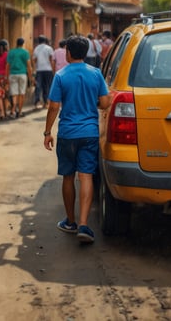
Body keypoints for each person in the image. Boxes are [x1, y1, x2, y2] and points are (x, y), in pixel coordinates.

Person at [43, 35, 111, 244]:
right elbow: (106, 102)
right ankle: (84, 224)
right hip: (89, 133)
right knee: (87, 176)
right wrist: (93, 105)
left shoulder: (61, 75)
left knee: (68, 176)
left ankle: (70, 222)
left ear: (68, 53)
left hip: (67, 134)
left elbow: (54, 106)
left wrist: (47, 132)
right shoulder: (96, 73)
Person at [6, 37, 33, 118]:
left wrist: (6, 76)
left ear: (16, 43)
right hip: (22, 74)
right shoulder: (25, 52)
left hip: (12, 74)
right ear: (23, 44)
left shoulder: (11, 52)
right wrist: (30, 77)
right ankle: (20, 112)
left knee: (14, 94)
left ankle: (13, 110)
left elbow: (7, 65)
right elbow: (29, 66)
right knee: (21, 94)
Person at [33, 35, 55, 109]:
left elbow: (34, 60)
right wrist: (53, 70)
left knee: (38, 86)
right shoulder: (49, 48)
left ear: (38, 41)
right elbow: (51, 59)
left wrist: (35, 68)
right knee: (47, 86)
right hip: (48, 70)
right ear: (45, 41)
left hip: (39, 70)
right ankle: (46, 102)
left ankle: (37, 102)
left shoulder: (36, 48)